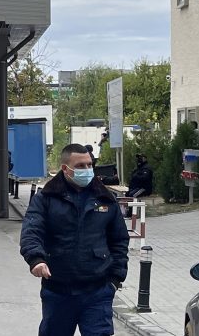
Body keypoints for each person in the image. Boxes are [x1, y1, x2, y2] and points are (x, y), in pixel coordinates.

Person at [20, 143, 129, 336]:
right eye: (80, 166)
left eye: (89, 165)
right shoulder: (46, 198)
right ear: (65, 168)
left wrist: (114, 279)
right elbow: (32, 231)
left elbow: (119, 240)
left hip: (97, 292)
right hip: (58, 291)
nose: (87, 170)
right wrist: (36, 259)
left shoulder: (105, 198)